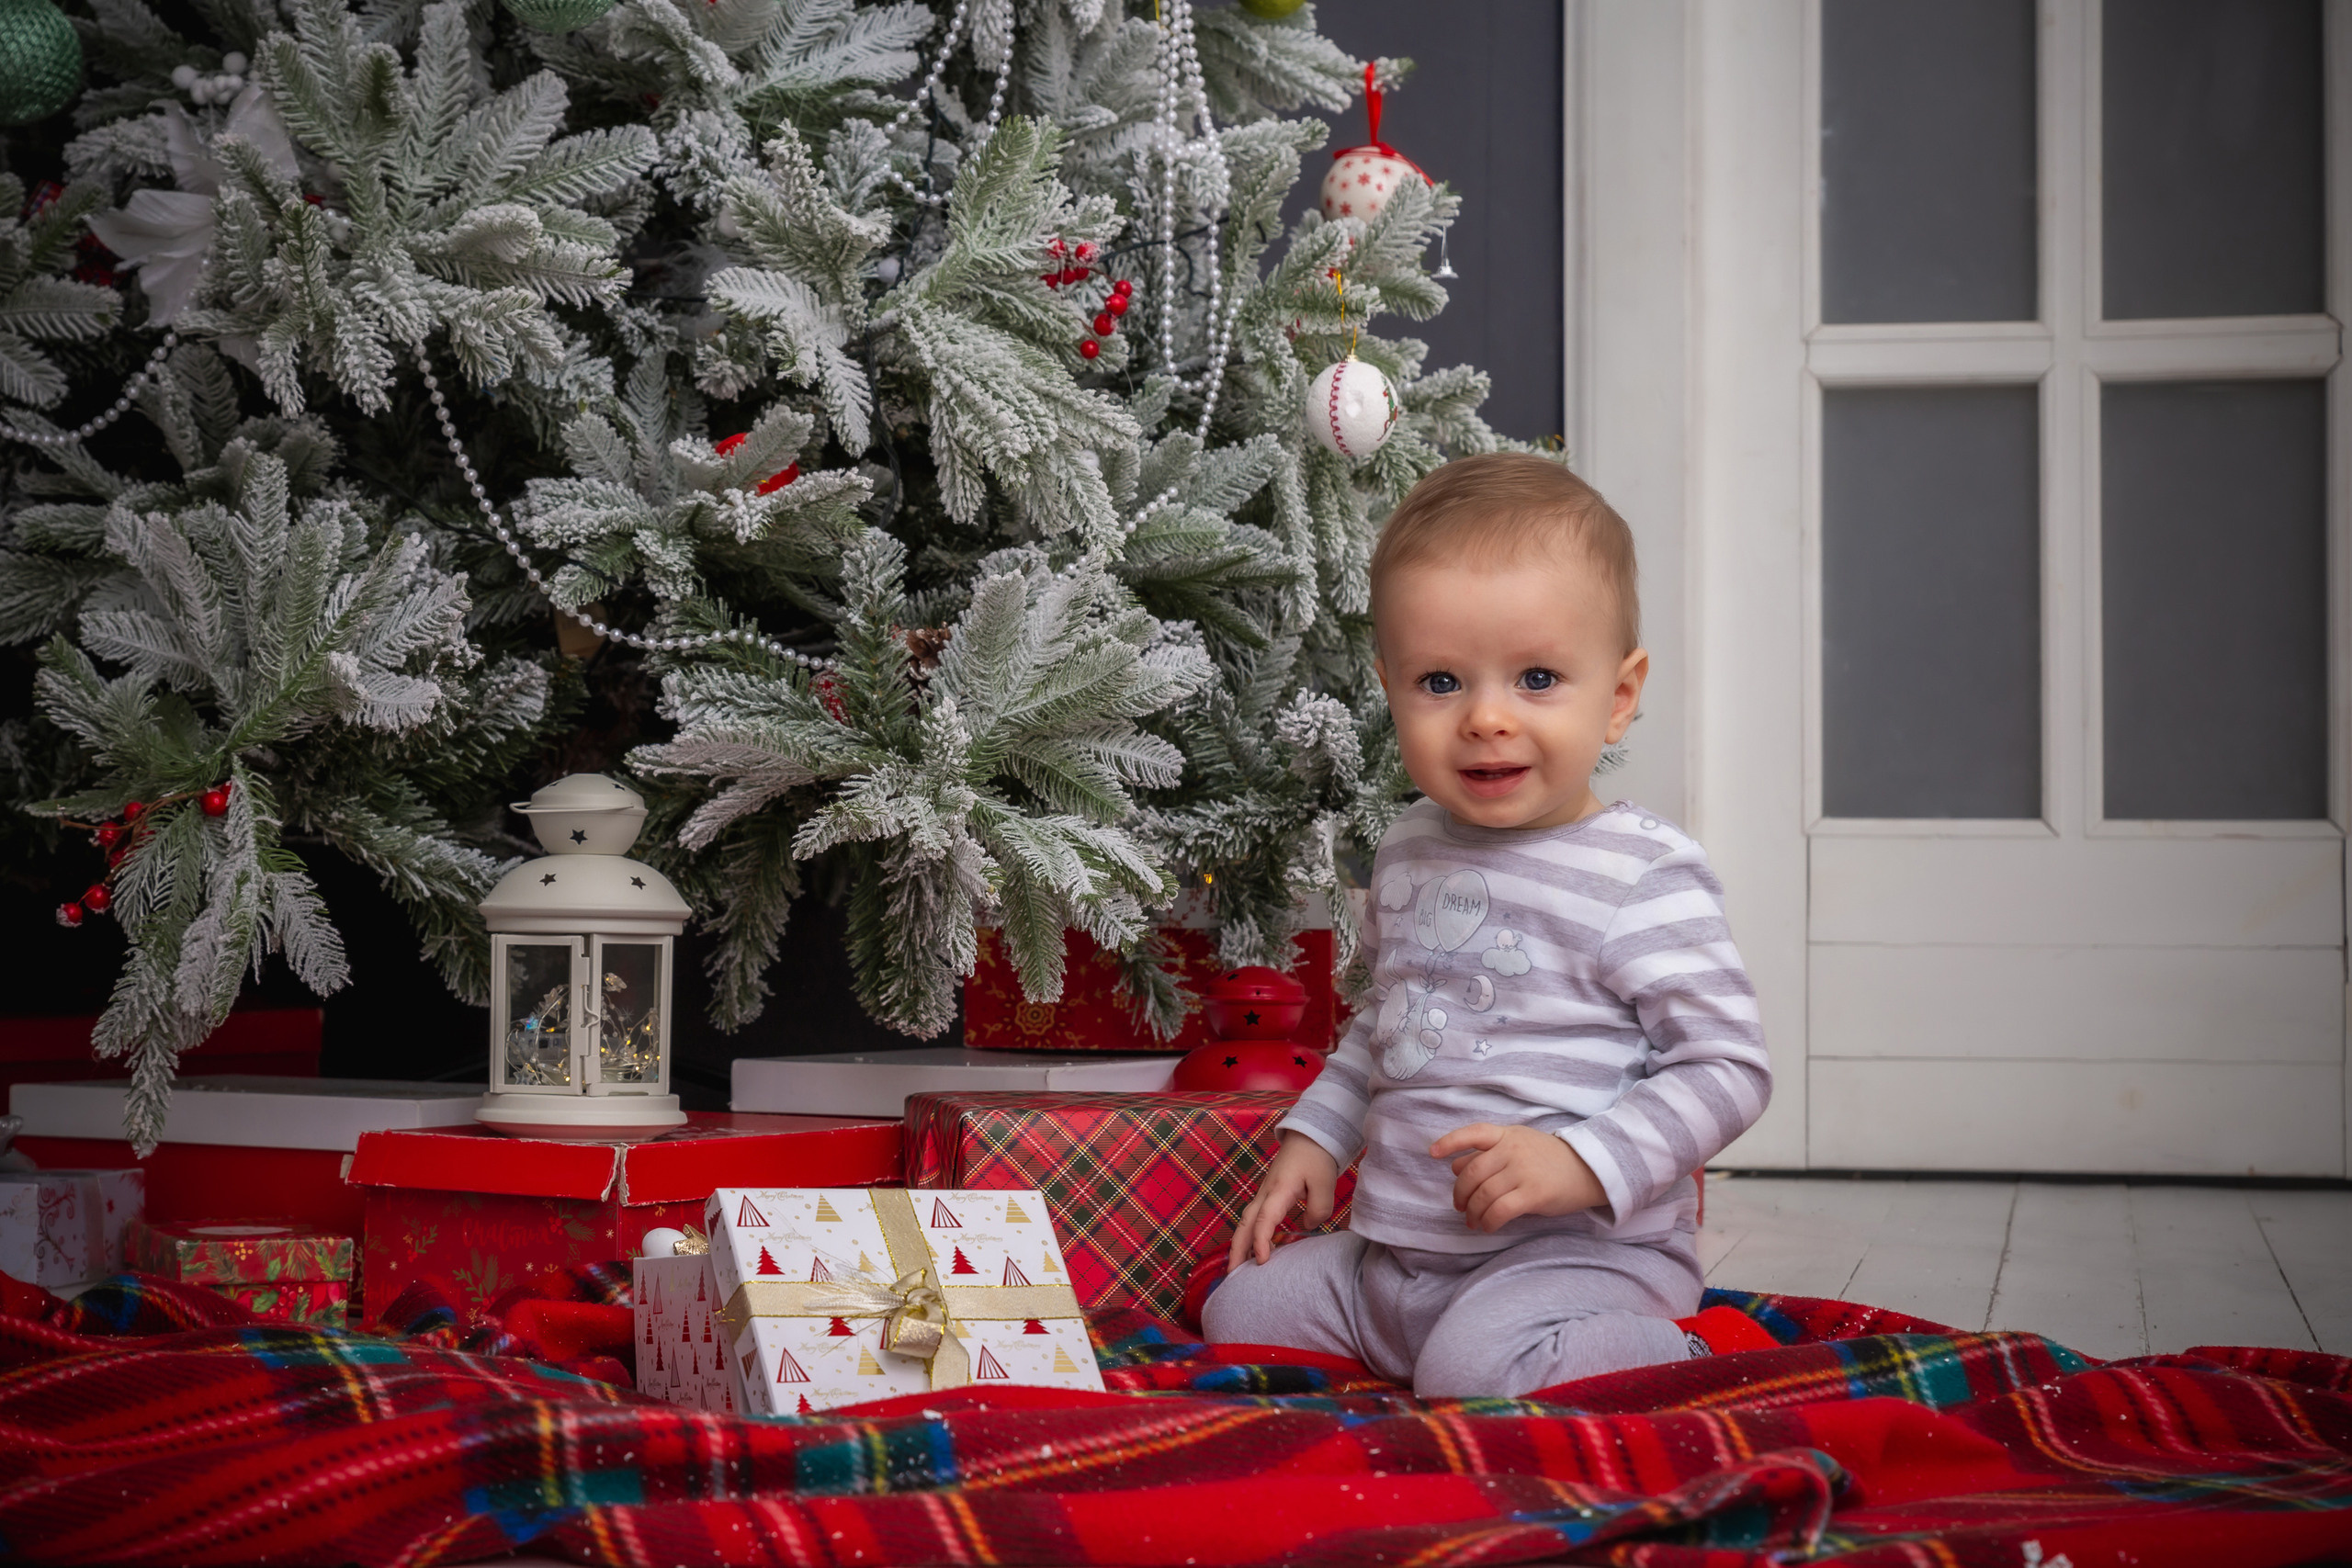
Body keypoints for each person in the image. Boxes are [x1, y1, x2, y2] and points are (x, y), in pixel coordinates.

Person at [1200, 452, 1775, 1396]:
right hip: (1400, 1256)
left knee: (1473, 1371)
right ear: (1391, 688)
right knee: (1240, 1309)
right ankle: (1430, 1349)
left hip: (1574, 1261)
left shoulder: (1642, 873)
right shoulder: (1407, 848)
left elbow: (1726, 1068)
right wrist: (1317, 1142)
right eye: (1440, 683)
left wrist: (1581, 1162)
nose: (1486, 719)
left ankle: (1688, 1355)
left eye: (1538, 677)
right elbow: (1382, 1031)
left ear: (1619, 695)